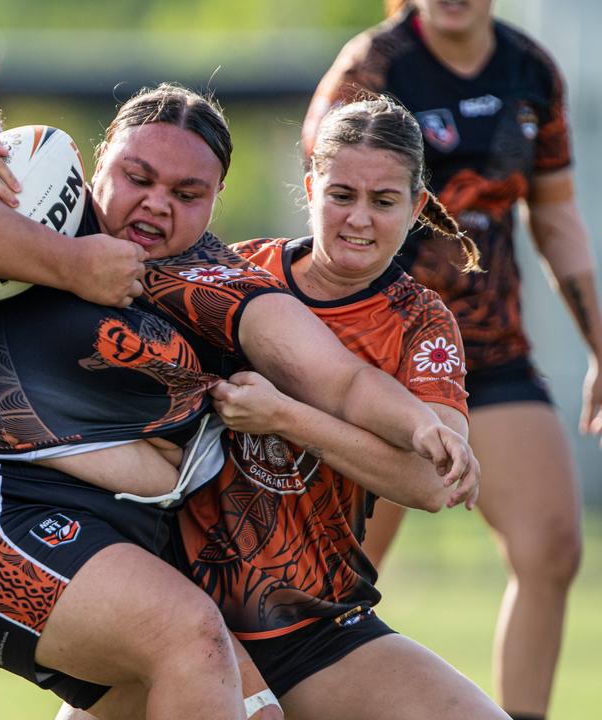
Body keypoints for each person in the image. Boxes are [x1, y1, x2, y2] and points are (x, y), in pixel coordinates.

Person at [0, 83, 477, 719]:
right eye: (138, 177)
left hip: (141, 561)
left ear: (215, 201)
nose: (156, 205)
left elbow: (340, 378)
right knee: (191, 638)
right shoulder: (38, 203)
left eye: (187, 194)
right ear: (100, 159)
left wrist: (421, 425)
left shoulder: (220, 278)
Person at [303, 3, 600, 717]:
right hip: (374, 354)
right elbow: (330, 215)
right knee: (330, 584)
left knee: (553, 547)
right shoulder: (371, 69)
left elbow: (555, 215)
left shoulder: (531, 70)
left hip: (489, 353)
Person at [166, 97, 504, 720]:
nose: (358, 220)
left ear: (417, 207)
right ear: (309, 187)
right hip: (183, 616)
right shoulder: (237, 271)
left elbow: (432, 484)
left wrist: (287, 417)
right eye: (341, 194)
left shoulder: (422, 322)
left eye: (383, 201)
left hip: (318, 626)